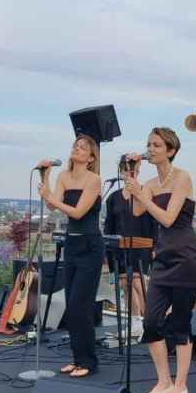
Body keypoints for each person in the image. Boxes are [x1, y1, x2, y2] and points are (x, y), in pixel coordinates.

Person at [123, 127, 196, 393]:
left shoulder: (182, 177)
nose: (151, 149)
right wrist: (132, 179)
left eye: (157, 145)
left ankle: (180, 386)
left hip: (185, 257)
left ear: (171, 150)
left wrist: (143, 196)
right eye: (149, 144)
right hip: (163, 257)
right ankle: (163, 382)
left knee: (180, 324)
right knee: (151, 322)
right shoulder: (150, 183)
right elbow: (136, 211)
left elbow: (168, 219)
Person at [38, 134, 104, 378]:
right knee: (71, 305)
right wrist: (45, 177)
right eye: (75, 146)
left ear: (91, 157)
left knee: (80, 305)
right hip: (72, 244)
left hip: (90, 245)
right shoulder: (64, 176)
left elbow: (77, 212)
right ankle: (77, 359)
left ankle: (89, 362)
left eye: (83, 147)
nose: (77, 149)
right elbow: (52, 205)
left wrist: (50, 198)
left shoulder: (94, 179)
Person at [104, 158, 158, 335]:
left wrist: (156, 247)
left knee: (137, 282)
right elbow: (109, 226)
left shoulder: (145, 192)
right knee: (125, 285)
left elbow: (155, 223)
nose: (130, 173)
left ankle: (147, 321)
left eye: (134, 169)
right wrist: (107, 250)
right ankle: (135, 322)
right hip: (119, 249)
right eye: (126, 170)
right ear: (121, 172)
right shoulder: (113, 198)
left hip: (142, 247)